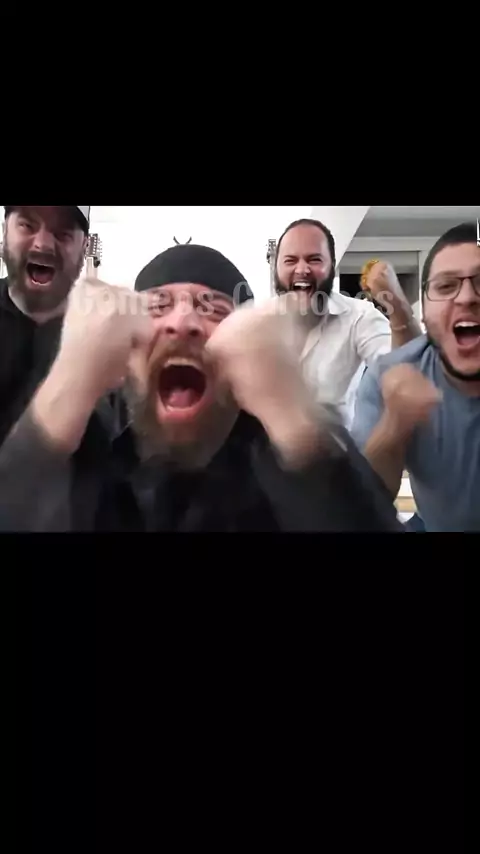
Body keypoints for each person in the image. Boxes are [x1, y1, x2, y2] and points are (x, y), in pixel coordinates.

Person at [0, 243, 403, 533]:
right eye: (158, 306)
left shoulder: (286, 453)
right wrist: (68, 383)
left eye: (213, 308)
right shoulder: (87, 439)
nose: (182, 323)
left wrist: (293, 421)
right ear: (129, 344)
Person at [351, 222, 480, 532]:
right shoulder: (388, 377)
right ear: (425, 312)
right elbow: (362, 505)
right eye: (446, 286)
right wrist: (394, 425)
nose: (466, 297)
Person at [274, 219, 422, 422]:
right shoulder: (256, 322)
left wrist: (398, 306)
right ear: (276, 267)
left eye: (314, 259)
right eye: (290, 260)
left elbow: (408, 371)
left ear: (332, 266)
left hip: (337, 441)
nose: (302, 270)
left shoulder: (359, 316)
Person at [0, 205, 90, 445]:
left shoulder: (108, 340)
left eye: (62, 234)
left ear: (84, 248)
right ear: (5, 231)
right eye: (27, 226)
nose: (43, 244)